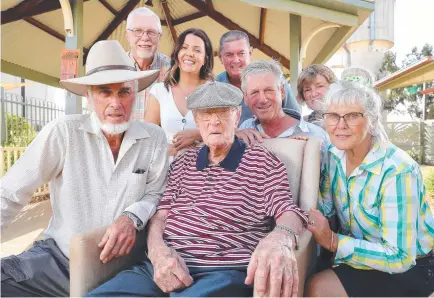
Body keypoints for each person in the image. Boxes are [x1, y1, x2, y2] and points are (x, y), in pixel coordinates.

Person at [87, 81, 308, 297]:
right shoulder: (184, 161)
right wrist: (156, 250)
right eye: (205, 114)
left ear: (238, 116)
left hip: (223, 273)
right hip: (163, 265)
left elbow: (287, 211)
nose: (214, 122)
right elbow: (161, 214)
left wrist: (280, 237)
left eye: (222, 113)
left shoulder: (262, 162)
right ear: (196, 120)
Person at [0, 40, 169, 297]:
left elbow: (156, 194)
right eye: (104, 92)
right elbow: (10, 193)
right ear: (88, 96)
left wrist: (130, 218)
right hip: (59, 260)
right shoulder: (64, 133)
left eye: (124, 92)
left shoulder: (154, 138)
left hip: (123, 266)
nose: (116, 103)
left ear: (136, 93)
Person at [305, 81, 434, 297]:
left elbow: (401, 256)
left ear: (372, 120)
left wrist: (333, 241)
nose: (340, 124)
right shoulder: (334, 156)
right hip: (363, 255)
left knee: (318, 288)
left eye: (353, 115)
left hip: (414, 265)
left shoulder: (397, 170)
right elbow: (325, 209)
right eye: (333, 115)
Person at [237, 60, 330, 162]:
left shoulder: (316, 135)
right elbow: (228, 171)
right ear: (245, 98)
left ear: (282, 92)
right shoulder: (244, 129)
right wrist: (231, 140)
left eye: (269, 90)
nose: (262, 99)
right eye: (254, 92)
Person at [144, 28, 214, 157]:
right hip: (166, 170)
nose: (189, 53)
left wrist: (198, 134)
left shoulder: (215, 92)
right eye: (184, 47)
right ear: (177, 54)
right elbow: (148, 137)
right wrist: (167, 150)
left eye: (197, 50)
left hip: (204, 170)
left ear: (205, 59)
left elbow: (226, 133)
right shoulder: (160, 91)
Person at [216, 30, 300, 124]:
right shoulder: (214, 88)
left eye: (241, 53)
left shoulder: (272, 78)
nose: (236, 60)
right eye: (229, 55)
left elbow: (296, 118)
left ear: (250, 53)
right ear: (220, 57)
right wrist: (236, 133)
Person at [125, 7, 170, 120]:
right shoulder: (114, 68)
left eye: (151, 32)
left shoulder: (173, 70)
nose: (145, 37)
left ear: (159, 36)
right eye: (138, 31)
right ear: (127, 35)